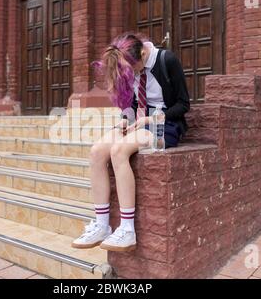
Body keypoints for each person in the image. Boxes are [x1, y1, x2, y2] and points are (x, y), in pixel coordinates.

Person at [72, 33, 190, 252]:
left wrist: (152, 118)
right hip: (140, 123)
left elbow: (184, 105)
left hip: (167, 124)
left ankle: (127, 230)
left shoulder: (167, 60)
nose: (133, 73)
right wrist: (124, 122)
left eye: (134, 68)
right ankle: (102, 225)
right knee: (97, 151)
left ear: (143, 53)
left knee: (119, 150)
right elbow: (134, 105)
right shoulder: (130, 66)